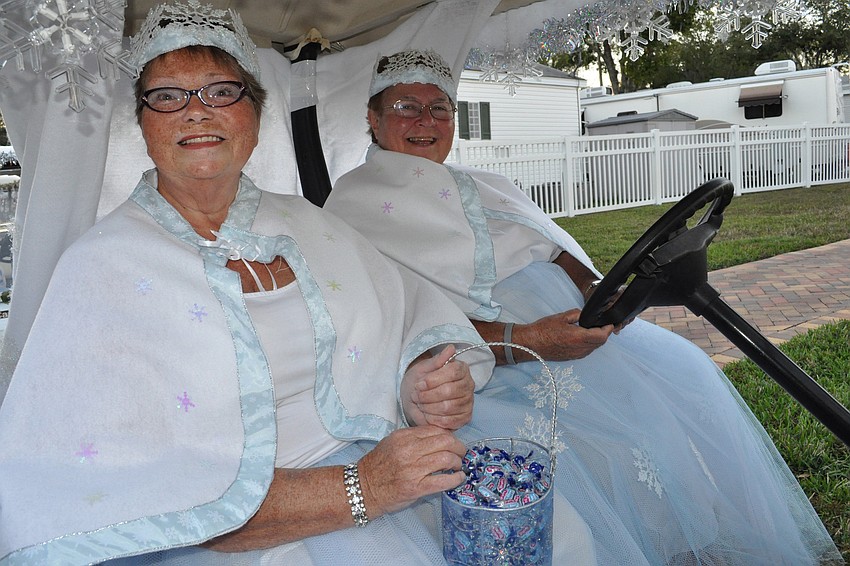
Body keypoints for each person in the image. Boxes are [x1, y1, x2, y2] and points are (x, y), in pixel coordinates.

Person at [0, 6, 601, 565]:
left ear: (253, 118)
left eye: (221, 90)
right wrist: (361, 488)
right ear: (143, 124)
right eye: (167, 96)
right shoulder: (100, 269)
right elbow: (131, 488)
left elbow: (405, 315)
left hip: (382, 461)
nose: (197, 109)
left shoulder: (306, 222)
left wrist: (420, 380)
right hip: (256, 530)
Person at [325, 49, 844, 565]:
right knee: (610, 447)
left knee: (684, 380)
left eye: (439, 108)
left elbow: (555, 249)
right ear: (372, 119)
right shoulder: (350, 207)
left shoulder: (484, 183)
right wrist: (529, 340)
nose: (425, 121)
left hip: (571, 329)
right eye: (405, 106)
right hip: (483, 362)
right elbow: (399, 324)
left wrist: (596, 290)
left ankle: (685, 543)